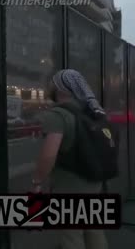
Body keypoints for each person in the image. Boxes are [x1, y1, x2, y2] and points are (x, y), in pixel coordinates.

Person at [32, 69, 109, 249]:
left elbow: (49, 154)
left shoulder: (58, 115)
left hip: (69, 186)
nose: (50, 86)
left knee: (71, 235)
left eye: (53, 83)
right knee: (93, 229)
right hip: (93, 181)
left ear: (61, 89)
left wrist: (37, 182)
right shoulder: (91, 111)